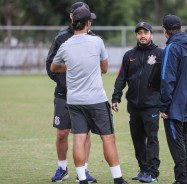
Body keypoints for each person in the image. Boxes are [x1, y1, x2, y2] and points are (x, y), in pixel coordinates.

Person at [50, 6, 128, 184]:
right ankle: (118, 178)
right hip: (96, 100)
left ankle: (82, 178)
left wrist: (69, 67)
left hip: (74, 100)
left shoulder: (65, 45)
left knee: (79, 137)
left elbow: (53, 67)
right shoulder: (96, 41)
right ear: (88, 23)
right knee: (108, 138)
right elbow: (105, 68)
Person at [46, 2, 96, 183]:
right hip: (64, 94)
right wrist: (67, 83)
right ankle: (62, 168)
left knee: (84, 134)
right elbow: (50, 66)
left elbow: (97, 66)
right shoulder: (61, 38)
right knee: (62, 133)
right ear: (71, 16)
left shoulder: (93, 38)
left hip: (86, 95)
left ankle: (84, 171)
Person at [111, 21, 163, 183]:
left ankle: (153, 173)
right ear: (136, 35)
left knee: (152, 138)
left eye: (145, 33)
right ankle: (143, 169)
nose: (142, 36)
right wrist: (116, 97)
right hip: (133, 106)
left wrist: (164, 101)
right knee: (137, 139)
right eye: (139, 33)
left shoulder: (160, 54)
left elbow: (166, 79)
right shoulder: (129, 55)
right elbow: (121, 78)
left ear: (151, 35)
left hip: (152, 105)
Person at [160, 15, 187, 184]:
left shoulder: (172, 48)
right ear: (179, 28)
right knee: (184, 139)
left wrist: (163, 105)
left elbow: (166, 78)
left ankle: (182, 179)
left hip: (173, 105)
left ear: (165, 30)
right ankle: (186, 176)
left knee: (176, 141)